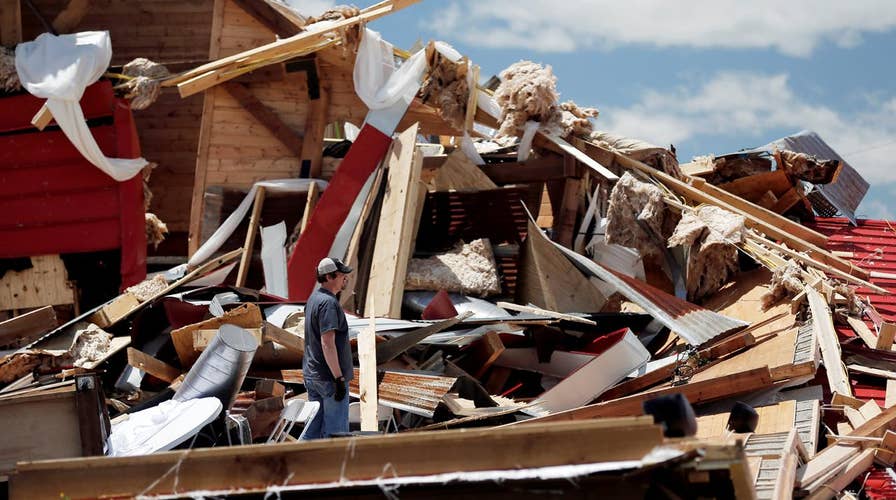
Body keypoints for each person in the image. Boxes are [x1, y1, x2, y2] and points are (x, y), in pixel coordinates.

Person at [300, 257, 354, 439]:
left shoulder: (314, 299)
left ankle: (299, 463)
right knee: (336, 432)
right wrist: (338, 378)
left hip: (313, 374)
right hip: (329, 378)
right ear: (330, 277)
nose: (345, 278)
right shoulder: (328, 304)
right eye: (341, 275)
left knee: (313, 430)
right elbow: (327, 343)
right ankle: (334, 466)